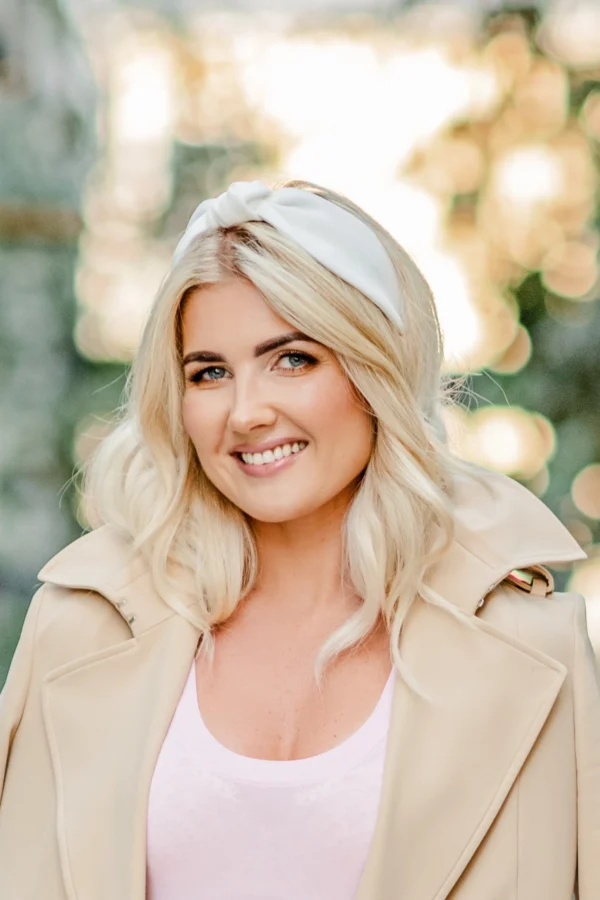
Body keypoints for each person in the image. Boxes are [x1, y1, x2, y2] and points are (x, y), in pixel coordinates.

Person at [0, 178, 598, 900]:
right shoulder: (76, 631)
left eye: (293, 359)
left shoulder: (537, 647)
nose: (247, 412)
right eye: (210, 372)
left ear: (373, 370)